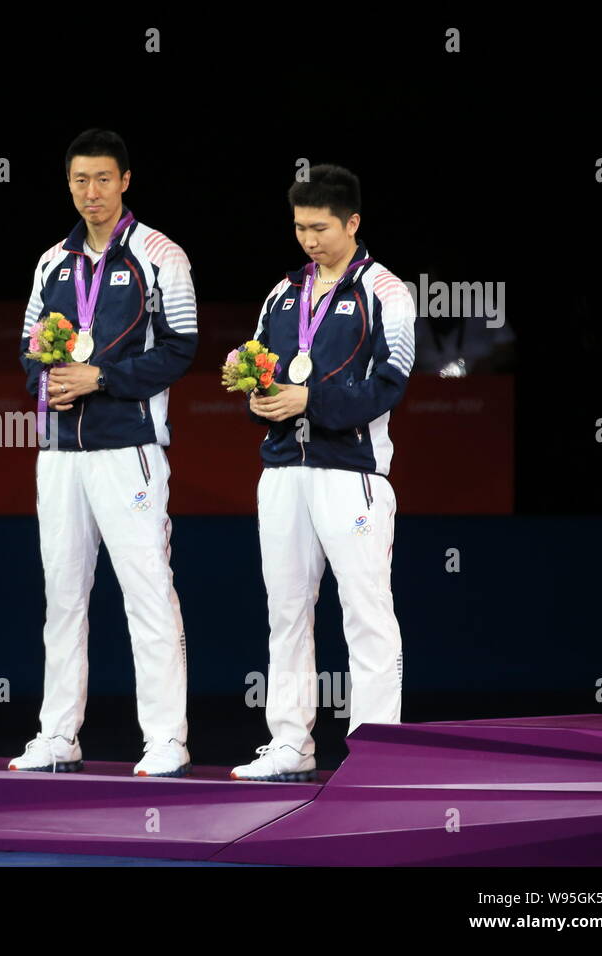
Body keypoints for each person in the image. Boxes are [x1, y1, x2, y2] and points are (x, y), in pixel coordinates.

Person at [8, 129, 198, 777]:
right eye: (79, 181)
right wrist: (47, 379)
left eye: (102, 179)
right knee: (62, 594)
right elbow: (30, 347)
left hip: (129, 450)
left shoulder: (159, 255)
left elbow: (180, 349)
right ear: (69, 186)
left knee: (148, 592)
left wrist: (102, 379)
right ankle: (58, 734)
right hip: (59, 452)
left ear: (125, 180)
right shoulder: (49, 264)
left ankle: (166, 739)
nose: (91, 193)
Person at [231, 164, 415, 781]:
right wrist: (257, 395)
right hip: (283, 470)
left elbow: (390, 384)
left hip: (352, 472)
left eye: (320, 228)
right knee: (286, 611)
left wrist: (311, 402)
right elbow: (258, 365)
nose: (308, 240)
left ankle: (377, 756)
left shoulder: (386, 290)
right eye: (299, 228)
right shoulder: (283, 294)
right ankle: (290, 744)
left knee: (366, 612)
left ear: (353, 223)